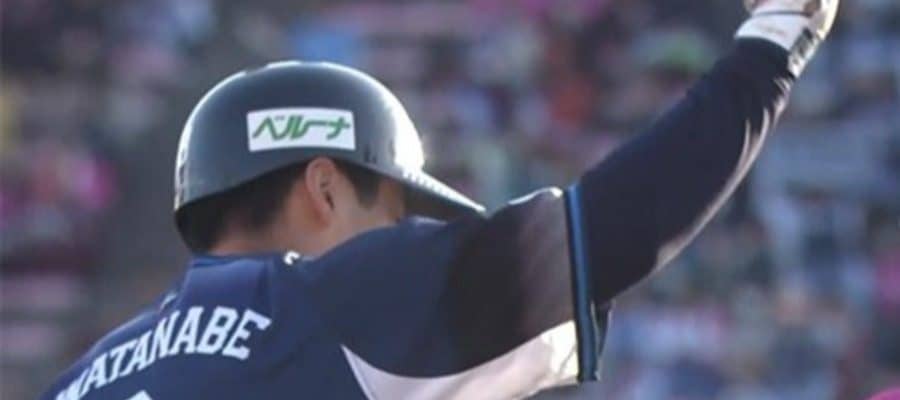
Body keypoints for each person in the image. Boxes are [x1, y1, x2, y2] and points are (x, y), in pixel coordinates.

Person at [42, 0, 840, 399]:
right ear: (324, 187)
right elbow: (613, 228)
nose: (405, 236)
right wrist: (774, 45)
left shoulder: (83, 373)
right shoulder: (330, 298)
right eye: (395, 214)